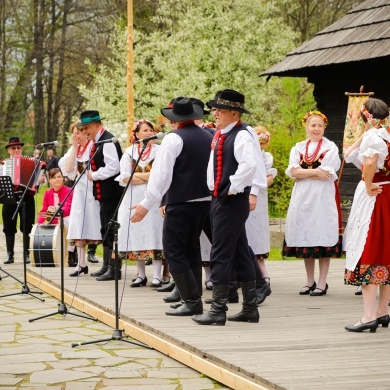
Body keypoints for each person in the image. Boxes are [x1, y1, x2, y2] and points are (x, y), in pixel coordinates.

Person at [130, 97, 212, 317]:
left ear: (174, 119)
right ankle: (191, 298)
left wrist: (147, 204)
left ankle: (193, 301)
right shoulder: (208, 135)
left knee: (174, 251)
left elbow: (161, 175)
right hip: (204, 201)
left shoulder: (174, 139)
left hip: (181, 202)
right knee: (191, 249)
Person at [192, 89, 259, 326]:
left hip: (231, 199)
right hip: (221, 198)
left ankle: (218, 309)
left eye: (219, 110)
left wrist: (229, 188)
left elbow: (249, 165)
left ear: (233, 112)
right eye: (214, 109)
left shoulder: (241, 134)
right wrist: (216, 188)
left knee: (219, 252)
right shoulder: (222, 134)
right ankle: (250, 308)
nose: (214, 113)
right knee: (240, 252)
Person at [282, 111, 342, 296]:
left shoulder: (330, 148)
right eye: (313, 125)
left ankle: (322, 282)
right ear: (306, 127)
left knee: (323, 236)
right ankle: (309, 281)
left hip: (322, 197)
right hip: (302, 198)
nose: (316, 129)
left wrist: (303, 172)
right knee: (305, 236)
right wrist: (314, 173)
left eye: (319, 126)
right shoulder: (298, 148)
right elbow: (292, 171)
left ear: (324, 128)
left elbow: (328, 171)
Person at [343, 98, 390, 333]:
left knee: (368, 248)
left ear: (365, 117)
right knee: (384, 251)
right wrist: (366, 131)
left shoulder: (374, 137)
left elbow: (370, 161)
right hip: (387, 192)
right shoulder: (385, 134)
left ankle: (368, 315)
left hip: (375, 195)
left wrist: (369, 184)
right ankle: (382, 311)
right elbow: (350, 154)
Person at [76, 110, 123, 281]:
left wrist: (94, 175)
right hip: (104, 194)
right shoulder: (97, 141)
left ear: (97, 125)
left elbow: (114, 167)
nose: (85, 131)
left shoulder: (107, 141)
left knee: (111, 229)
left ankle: (114, 269)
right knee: (105, 227)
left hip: (112, 193)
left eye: (87, 127)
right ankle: (106, 265)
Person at [117, 119, 165, 288]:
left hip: (154, 198)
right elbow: (124, 178)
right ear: (136, 134)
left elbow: (160, 176)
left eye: (151, 130)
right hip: (133, 197)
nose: (149, 133)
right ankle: (141, 274)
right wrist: (148, 177)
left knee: (155, 233)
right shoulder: (129, 152)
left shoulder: (160, 151)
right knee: (136, 232)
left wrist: (137, 177)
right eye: (145, 130)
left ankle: (158, 275)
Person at [60, 121, 102, 277]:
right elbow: (69, 170)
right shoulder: (75, 150)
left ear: (86, 132)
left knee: (97, 224)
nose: (76, 135)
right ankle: (81, 264)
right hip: (80, 190)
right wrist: (74, 148)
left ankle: (108, 264)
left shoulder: (94, 146)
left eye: (78, 132)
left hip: (94, 189)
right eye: (74, 132)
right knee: (78, 224)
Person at [1, 137, 43, 264]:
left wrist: (40, 181)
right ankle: (10, 254)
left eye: (18, 148)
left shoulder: (33, 162)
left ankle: (26, 254)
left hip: (27, 196)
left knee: (27, 226)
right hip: (9, 196)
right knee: (9, 226)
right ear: (8, 150)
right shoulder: (3, 165)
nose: (16, 150)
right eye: (13, 148)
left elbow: (38, 180)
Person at [252, 126, 277, 294]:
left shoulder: (266, 157)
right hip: (244, 193)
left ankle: (262, 271)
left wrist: (259, 183)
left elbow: (269, 177)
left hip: (258, 197)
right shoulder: (246, 154)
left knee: (257, 231)